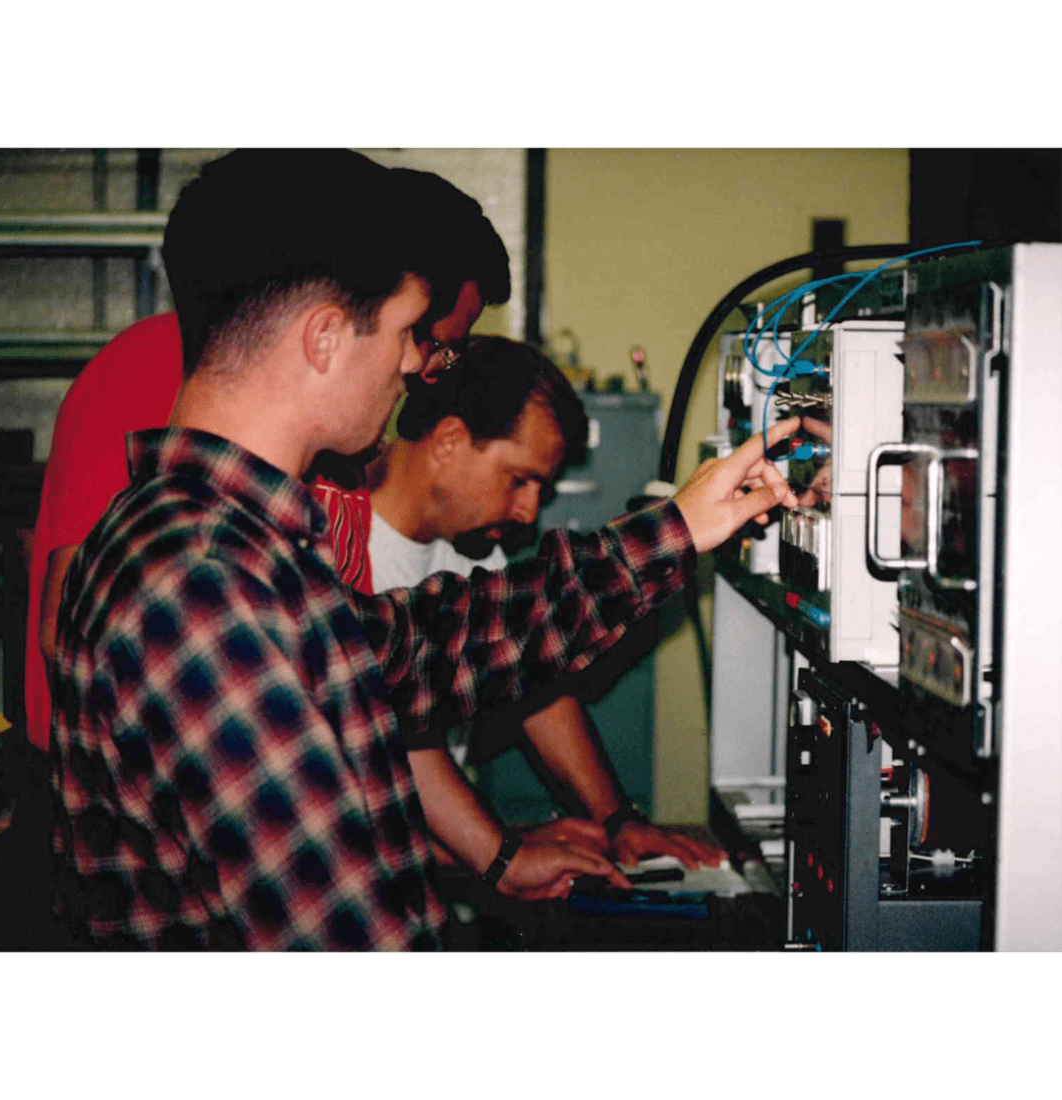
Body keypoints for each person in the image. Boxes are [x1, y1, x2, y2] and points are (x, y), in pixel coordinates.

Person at [49, 146, 800, 950]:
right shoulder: (202, 589)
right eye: (408, 330)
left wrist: (677, 528)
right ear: (326, 338)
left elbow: (434, 646)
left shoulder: (241, 548)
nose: (415, 362)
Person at [27, 154, 620, 906]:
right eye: (427, 333)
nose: (425, 367)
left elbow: (375, 676)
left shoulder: (323, 468)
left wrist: (494, 858)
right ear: (333, 326)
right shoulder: (173, 393)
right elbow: (92, 629)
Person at [366, 334, 724, 869]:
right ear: (448, 442)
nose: (530, 512)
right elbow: (394, 756)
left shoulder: (470, 552)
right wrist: (504, 853)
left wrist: (618, 821)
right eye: (520, 480)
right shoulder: (343, 550)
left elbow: (533, 681)